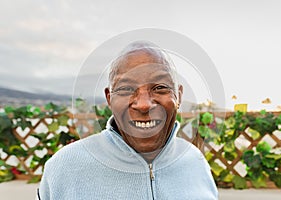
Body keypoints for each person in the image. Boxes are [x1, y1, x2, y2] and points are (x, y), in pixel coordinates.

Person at [37, 41, 218, 199]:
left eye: (160, 87)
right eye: (126, 89)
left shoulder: (195, 161)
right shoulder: (64, 167)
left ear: (178, 96)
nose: (144, 104)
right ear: (109, 98)